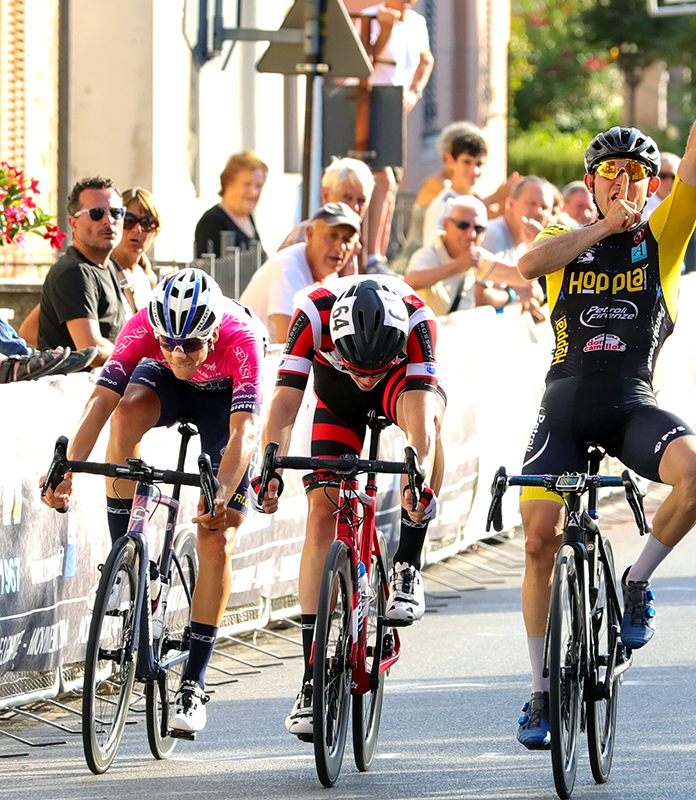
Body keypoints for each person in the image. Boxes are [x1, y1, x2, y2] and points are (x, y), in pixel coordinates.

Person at [511, 20, 696, 749]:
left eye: (635, 176)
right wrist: (595, 229)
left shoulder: (663, 237)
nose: (622, 184)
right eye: (609, 174)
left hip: (629, 405)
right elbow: (527, 264)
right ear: (590, 184)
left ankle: (637, 581)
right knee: (539, 540)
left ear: (650, 184)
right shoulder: (566, 236)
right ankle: (541, 693)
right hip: (564, 408)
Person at [40, 268, 266, 735]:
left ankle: (193, 683)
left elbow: (244, 432)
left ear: (211, 331)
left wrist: (220, 493)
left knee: (217, 536)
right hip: (163, 388)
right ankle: (126, 560)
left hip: (224, 402)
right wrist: (68, 469)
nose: (179, 353)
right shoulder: (144, 326)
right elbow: (100, 403)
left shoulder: (240, 337)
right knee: (126, 409)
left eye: (190, 345)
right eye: (168, 343)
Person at [254, 275, 444, 738]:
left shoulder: (418, 319)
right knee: (323, 511)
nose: (365, 376)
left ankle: (407, 565)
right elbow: (283, 402)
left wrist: (416, 478)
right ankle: (311, 680)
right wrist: (270, 466)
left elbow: (421, 423)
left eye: (373, 367)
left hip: (400, 392)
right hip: (334, 400)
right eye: (358, 366)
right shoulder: (313, 314)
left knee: (431, 434)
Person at [362, 0, 434, 272]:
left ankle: (378, 255)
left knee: (391, 181)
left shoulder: (417, 22)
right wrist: (384, 30)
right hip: (372, 101)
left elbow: (426, 59)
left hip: (395, 105)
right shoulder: (371, 16)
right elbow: (364, 63)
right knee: (382, 177)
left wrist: (415, 91)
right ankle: (370, 256)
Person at [37, 177, 128, 365]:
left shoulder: (107, 265)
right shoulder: (74, 272)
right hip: (75, 390)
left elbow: (29, 328)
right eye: (96, 213)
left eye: (116, 212)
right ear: (73, 223)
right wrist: (140, 358)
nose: (108, 220)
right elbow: (91, 349)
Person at [240, 203, 361, 343]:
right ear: (310, 234)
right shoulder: (288, 267)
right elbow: (289, 343)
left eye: (347, 239)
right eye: (332, 236)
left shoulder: (330, 277)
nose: (340, 247)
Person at [406, 196, 541, 314]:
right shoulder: (427, 255)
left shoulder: (476, 256)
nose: (471, 234)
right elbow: (408, 283)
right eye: (463, 225)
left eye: (478, 228)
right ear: (446, 224)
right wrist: (459, 265)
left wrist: (535, 244)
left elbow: (522, 277)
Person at [421, 128, 519, 248]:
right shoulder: (443, 205)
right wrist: (497, 196)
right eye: (467, 162)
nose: (474, 171)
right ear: (451, 161)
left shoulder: (476, 199)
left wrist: (506, 197)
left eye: (479, 164)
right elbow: (436, 251)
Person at [278, 158, 374, 253]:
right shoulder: (303, 238)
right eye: (347, 198)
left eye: (361, 201)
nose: (355, 207)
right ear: (326, 195)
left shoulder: (354, 241)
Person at [194, 151, 268, 258]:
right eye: (247, 184)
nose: (254, 192)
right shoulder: (212, 221)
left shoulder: (247, 217)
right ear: (229, 183)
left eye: (258, 186)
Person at [480, 176, 554, 262]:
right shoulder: (492, 234)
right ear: (511, 204)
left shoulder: (525, 244)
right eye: (532, 203)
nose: (538, 211)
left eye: (544, 207)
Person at [641, 152, 679, 217]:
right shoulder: (641, 206)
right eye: (663, 176)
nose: (669, 181)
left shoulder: (683, 205)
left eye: (674, 177)